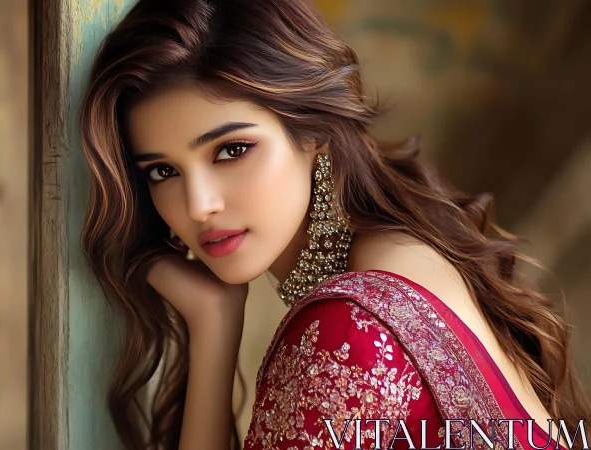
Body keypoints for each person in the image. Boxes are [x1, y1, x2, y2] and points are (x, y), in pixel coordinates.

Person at [77, 0, 590, 448]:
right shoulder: (403, 254)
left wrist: (212, 335)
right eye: (163, 171)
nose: (198, 205)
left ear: (314, 132)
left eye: (231, 150)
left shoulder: (347, 328)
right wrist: (214, 320)